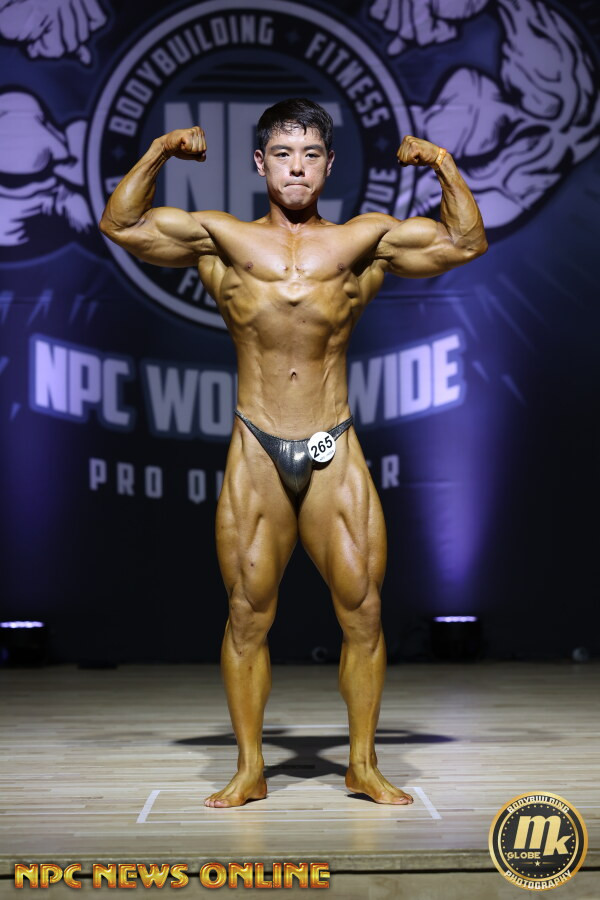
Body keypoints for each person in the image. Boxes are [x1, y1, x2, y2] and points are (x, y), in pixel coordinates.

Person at [99, 98, 487, 808]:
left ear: (329, 165)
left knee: (364, 611)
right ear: (260, 163)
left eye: (310, 154)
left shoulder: (363, 241)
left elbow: (464, 242)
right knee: (248, 613)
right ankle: (250, 768)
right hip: (257, 445)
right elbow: (120, 224)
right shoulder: (222, 240)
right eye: (283, 154)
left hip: (333, 443)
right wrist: (159, 151)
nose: (297, 168)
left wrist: (441, 162)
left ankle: (362, 764)